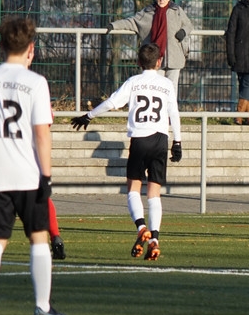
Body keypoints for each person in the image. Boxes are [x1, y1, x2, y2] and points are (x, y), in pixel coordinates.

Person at [0, 16, 65, 315]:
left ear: (1, 46)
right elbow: (42, 134)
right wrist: (46, 175)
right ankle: (42, 306)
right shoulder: (36, 83)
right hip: (28, 175)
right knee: (38, 238)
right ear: (31, 49)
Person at [71, 42, 182, 261]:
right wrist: (177, 142)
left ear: (139, 62)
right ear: (159, 62)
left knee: (133, 189)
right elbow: (174, 113)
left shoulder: (133, 82)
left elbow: (112, 103)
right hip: (160, 139)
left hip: (140, 139)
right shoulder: (166, 83)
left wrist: (89, 116)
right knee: (154, 193)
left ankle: (141, 227)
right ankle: (155, 239)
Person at [109, 0, 194, 95]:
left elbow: (188, 24)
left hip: (175, 56)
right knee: (156, 88)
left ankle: (170, 107)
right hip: (155, 58)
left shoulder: (177, 10)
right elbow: (131, 22)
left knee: (172, 88)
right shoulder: (147, 12)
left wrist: (183, 32)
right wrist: (113, 26)